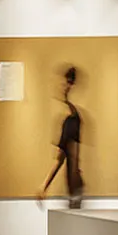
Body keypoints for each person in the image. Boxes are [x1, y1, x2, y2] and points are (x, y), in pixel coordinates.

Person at [36, 66, 84, 208]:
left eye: (65, 83)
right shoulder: (70, 118)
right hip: (74, 188)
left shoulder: (72, 119)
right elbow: (64, 157)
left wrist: (44, 186)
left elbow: (68, 157)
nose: (62, 87)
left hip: (74, 189)